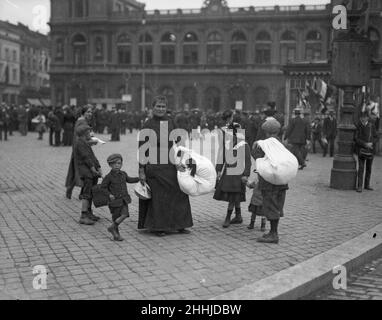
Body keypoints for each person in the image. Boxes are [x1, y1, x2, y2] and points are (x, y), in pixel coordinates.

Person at [138, 96, 193, 236]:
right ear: (153, 107)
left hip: (169, 162)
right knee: (159, 195)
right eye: (158, 106)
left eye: (163, 106)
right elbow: (142, 149)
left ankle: (180, 224)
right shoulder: (147, 125)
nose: (161, 109)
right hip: (154, 164)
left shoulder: (170, 122)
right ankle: (158, 226)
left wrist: (181, 157)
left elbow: (179, 141)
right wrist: (141, 169)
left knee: (179, 190)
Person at [251, 119, 289, 244]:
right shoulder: (282, 144)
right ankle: (273, 231)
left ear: (266, 132)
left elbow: (257, 157)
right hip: (282, 180)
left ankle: (273, 234)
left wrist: (256, 145)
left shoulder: (265, 144)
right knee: (277, 205)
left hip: (269, 181)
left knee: (271, 205)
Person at [214, 120, 252, 228]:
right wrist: (218, 170)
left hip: (238, 174)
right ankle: (238, 216)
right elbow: (221, 157)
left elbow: (248, 162)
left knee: (233, 196)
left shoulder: (243, 145)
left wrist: (246, 174)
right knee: (235, 196)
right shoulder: (227, 144)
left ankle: (228, 217)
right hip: (228, 173)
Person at [101, 154, 140, 241]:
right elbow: (102, 187)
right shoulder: (108, 177)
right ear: (110, 165)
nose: (117, 165)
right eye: (114, 164)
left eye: (119, 163)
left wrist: (139, 179)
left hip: (124, 200)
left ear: (121, 164)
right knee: (115, 217)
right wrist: (109, 194)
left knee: (124, 214)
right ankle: (116, 234)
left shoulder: (123, 174)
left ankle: (112, 227)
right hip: (114, 201)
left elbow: (129, 179)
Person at [74, 124, 102, 225]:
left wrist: (98, 167)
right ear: (84, 133)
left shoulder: (85, 142)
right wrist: (93, 169)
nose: (91, 133)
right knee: (86, 193)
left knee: (91, 192)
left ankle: (89, 212)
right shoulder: (80, 143)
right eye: (89, 132)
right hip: (86, 172)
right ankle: (83, 215)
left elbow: (93, 156)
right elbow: (86, 157)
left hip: (91, 172)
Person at [65, 105, 95, 199]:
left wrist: (89, 135)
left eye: (91, 112)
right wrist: (94, 141)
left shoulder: (81, 121)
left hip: (79, 149)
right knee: (86, 171)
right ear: (83, 113)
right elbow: (82, 138)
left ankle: (71, 189)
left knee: (77, 170)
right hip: (81, 150)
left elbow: (83, 136)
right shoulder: (82, 122)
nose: (90, 114)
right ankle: (81, 193)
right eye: (88, 112)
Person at [355, 112, 379, 193]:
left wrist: (372, 143)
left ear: (367, 118)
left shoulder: (372, 125)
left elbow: (376, 137)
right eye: (362, 117)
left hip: (370, 150)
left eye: (365, 117)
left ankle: (367, 185)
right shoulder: (358, 126)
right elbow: (356, 138)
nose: (363, 119)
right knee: (361, 168)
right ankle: (359, 186)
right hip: (361, 150)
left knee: (369, 168)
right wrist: (365, 144)